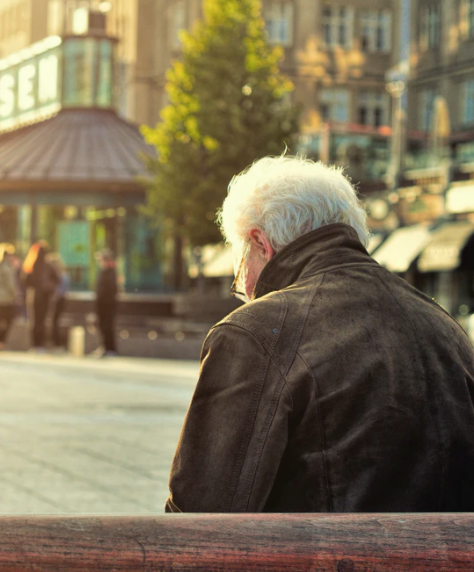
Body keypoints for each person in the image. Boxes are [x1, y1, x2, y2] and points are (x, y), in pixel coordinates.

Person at [166, 156, 474, 513]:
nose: (246, 290)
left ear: (260, 243)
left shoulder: (255, 332)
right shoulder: (443, 324)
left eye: (239, 274)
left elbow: (201, 516)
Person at [23, 242, 59, 352]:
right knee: (42, 320)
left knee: (35, 320)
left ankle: (35, 344)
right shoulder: (47, 266)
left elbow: (25, 281)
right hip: (44, 296)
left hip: (34, 296)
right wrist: (49, 287)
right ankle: (40, 344)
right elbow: (57, 280)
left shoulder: (31, 265)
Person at [95, 249, 118, 357]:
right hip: (103, 304)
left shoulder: (109, 272)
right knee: (103, 326)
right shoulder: (106, 272)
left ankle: (109, 348)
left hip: (107, 305)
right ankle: (106, 347)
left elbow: (109, 290)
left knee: (107, 326)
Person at [47, 253, 70, 350]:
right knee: (55, 321)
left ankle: (57, 343)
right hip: (61, 299)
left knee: (55, 321)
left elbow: (61, 290)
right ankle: (55, 342)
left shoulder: (61, 275)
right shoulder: (63, 274)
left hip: (58, 300)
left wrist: (53, 297)